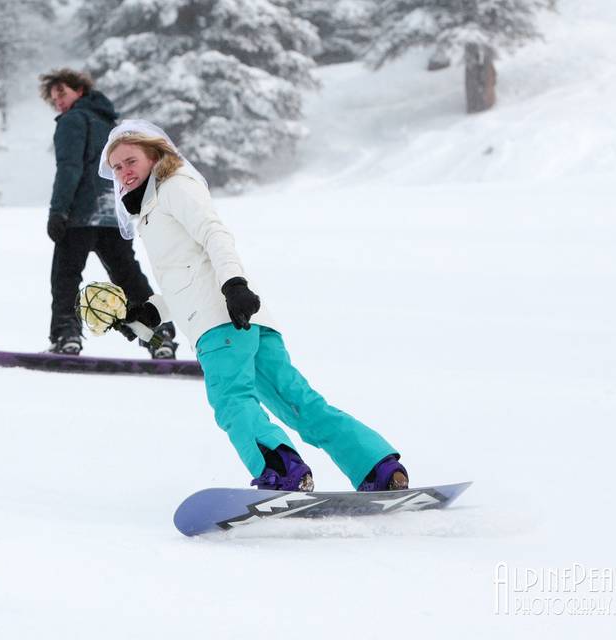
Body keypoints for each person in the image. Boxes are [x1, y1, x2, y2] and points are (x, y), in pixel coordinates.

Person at [98, 120, 408, 492]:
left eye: (130, 161)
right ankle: (377, 467)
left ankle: (281, 472)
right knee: (298, 403)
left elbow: (215, 234)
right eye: (117, 167)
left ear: (153, 156)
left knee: (231, 400)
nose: (124, 173)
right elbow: (189, 274)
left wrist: (234, 285)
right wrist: (150, 311)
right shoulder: (150, 207)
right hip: (243, 317)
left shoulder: (174, 187)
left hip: (221, 321)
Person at [39, 69, 176, 358]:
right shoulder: (112, 124)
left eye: (62, 94)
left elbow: (70, 167)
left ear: (79, 90)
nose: (59, 103)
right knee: (129, 277)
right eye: (54, 100)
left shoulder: (73, 120)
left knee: (65, 277)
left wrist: (58, 211)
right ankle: (158, 335)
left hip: (80, 216)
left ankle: (67, 336)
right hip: (114, 215)